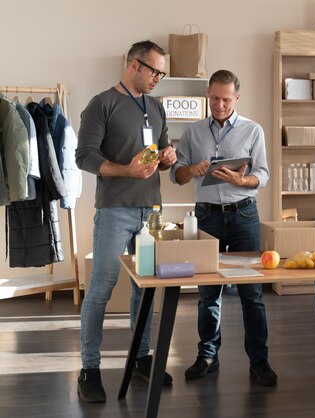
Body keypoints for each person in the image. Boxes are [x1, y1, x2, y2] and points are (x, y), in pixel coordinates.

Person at [75, 40, 177, 402]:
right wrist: (125, 171)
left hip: (151, 212)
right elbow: (84, 156)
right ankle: (89, 369)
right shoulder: (102, 103)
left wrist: (168, 155)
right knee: (101, 289)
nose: (157, 79)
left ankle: (141, 358)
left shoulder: (156, 106)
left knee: (145, 288)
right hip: (114, 209)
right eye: (154, 71)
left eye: (161, 73)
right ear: (134, 65)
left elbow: (164, 152)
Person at [170, 69, 276, 386]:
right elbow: (176, 175)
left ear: (236, 98)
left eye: (226, 99)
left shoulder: (252, 130)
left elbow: (263, 174)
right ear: (207, 94)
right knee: (208, 294)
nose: (219, 104)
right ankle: (207, 356)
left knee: (252, 294)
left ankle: (259, 361)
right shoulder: (192, 132)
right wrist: (193, 168)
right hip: (207, 217)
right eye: (215, 98)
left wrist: (242, 181)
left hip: (244, 215)